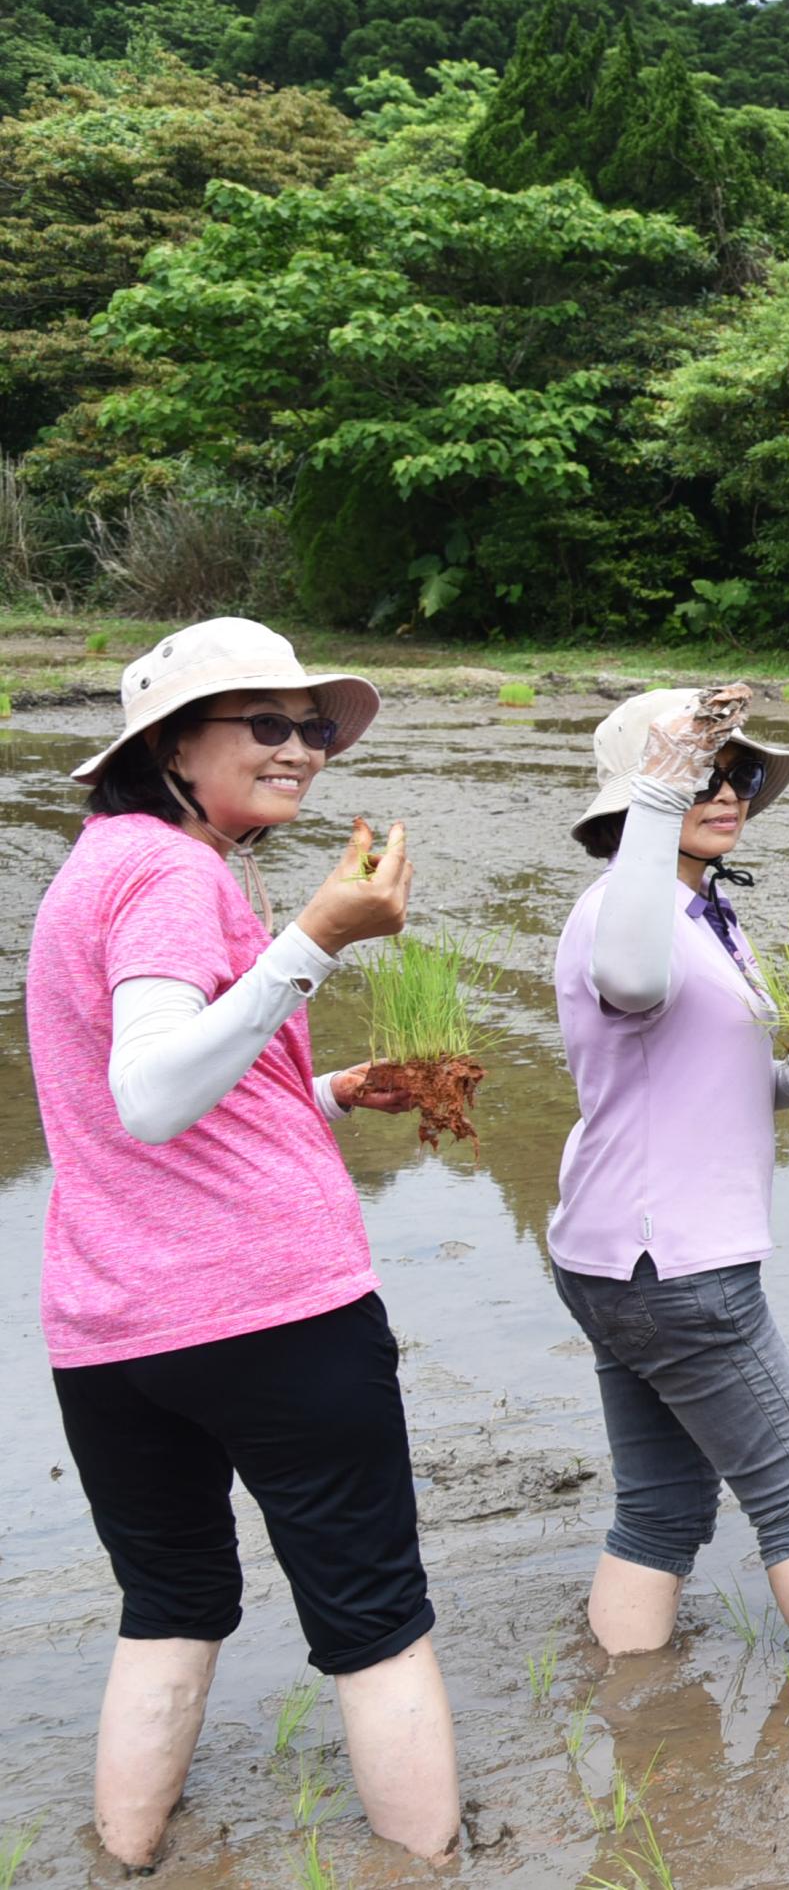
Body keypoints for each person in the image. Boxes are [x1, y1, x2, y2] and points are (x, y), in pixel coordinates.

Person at [24, 618, 459, 1865]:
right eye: (266, 724)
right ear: (169, 744)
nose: (302, 750)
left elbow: (148, 1101)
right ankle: (432, 1864)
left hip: (110, 1324)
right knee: (373, 1615)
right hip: (270, 1313)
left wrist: (325, 1095)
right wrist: (315, 940)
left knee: (168, 1605)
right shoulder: (173, 874)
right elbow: (154, 1093)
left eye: (312, 728)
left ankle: (127, 1854)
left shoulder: (101, 864)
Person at [549, 685, 789, 1671]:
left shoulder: (704, 913)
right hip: (677, 1268)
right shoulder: (623, 914)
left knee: (662, 1505)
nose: (729, 792)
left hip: (623, 1260)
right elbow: (630, 981)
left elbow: (721, 1087)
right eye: (703, 772)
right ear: (645, 789)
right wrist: (663, 793)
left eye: (740, 774)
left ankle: (625, 1701)